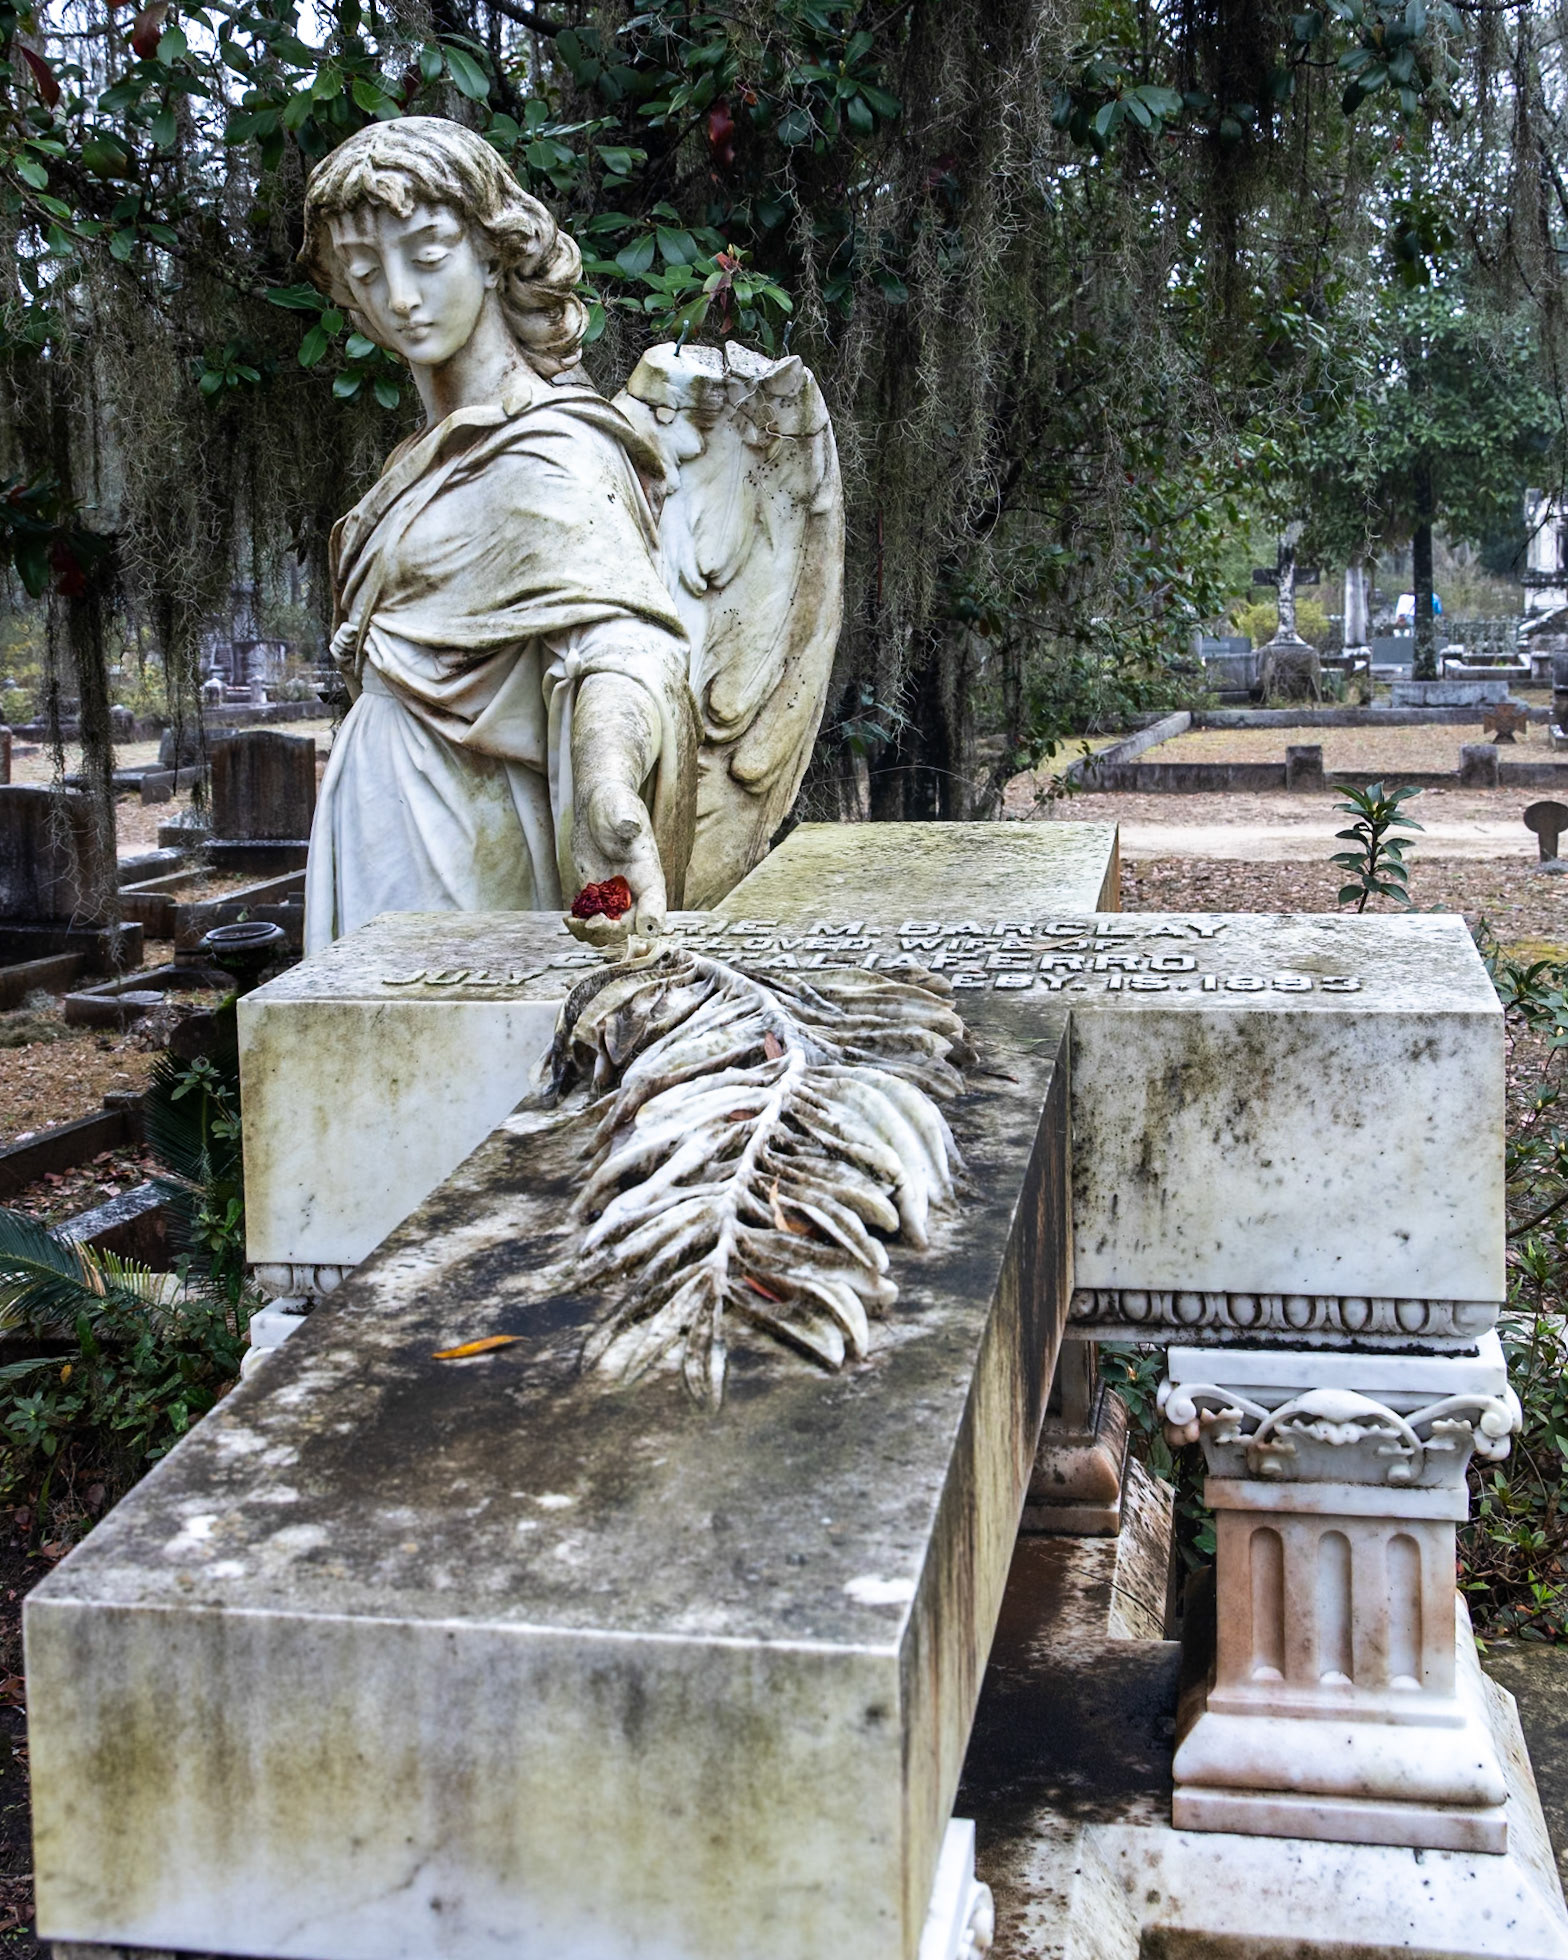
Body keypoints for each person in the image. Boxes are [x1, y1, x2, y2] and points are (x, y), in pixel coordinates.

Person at [296, 118, 697, 953]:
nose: (400, 296)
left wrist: (604, 780)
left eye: (429, 254)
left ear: (491, 251)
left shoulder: (554, 448)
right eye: (366, 272)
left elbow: (626, 641)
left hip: (462, 835)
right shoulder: (421, 459)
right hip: (381, 817)